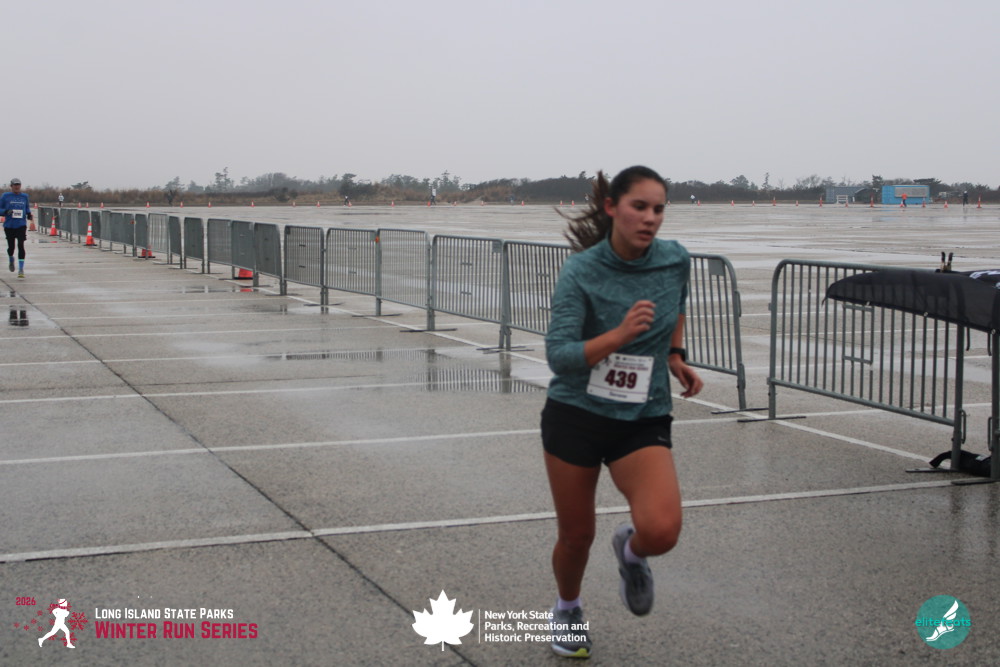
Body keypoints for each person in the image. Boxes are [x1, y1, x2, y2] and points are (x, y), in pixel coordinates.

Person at [542, 166, 702, 658]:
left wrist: (675, 354)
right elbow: (560, 356)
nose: (650, 218)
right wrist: (619, 335)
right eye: (639, 207)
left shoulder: (675, 259)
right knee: (576, 536)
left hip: (642, 416)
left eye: (659, 209)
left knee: (662, 531)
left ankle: (631, 552)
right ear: (612, 208)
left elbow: (676, 305)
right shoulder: (582, 271)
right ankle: (567, 608)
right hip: (577, 415)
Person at [1, 178, 32, 278]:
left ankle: (21, 269)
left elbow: (27, 208)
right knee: (11, 247)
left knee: (20, 245)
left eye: (18, 185)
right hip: (9, 225)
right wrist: (5, 212)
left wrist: (29, 214)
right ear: (11, 186)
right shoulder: (5, 196)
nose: (17, 187)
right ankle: (11, 258)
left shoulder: (24, 196)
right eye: (15, 185)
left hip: (21, 225)